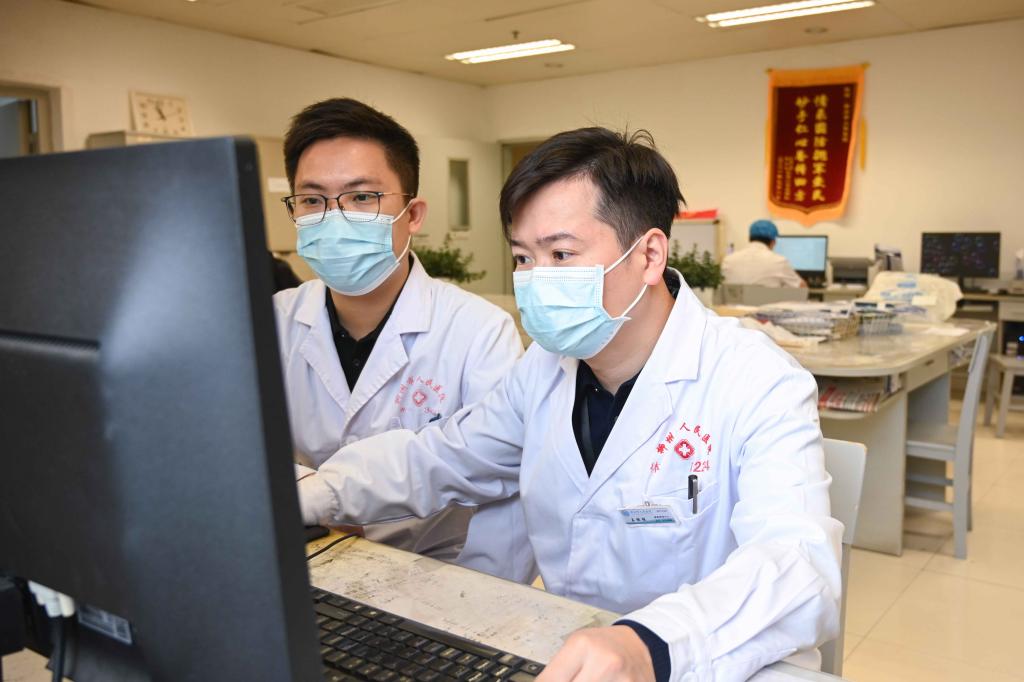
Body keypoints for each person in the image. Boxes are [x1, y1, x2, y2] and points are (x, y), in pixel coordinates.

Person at [297, 128, 842, 681]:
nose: (537, 280)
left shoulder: (755, 379)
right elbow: (441, 457)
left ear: (649, 254)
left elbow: (797, 564)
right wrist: (315, 494)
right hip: (572, 651)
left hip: (712, 662)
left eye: (561, 254)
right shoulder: (543, 370)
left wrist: (651, 643)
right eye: (523, 257)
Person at [277, 98, 533, 581]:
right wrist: (309, 496)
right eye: (312, 200)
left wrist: (473, 604)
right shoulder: (273, 321)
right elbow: (231, 448)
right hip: (304, 564)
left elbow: (498, 476)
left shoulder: (478, 331)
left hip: (434, 577)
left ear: (412, 214)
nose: (334, 218)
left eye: (362, 197)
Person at [721, 219, 807, 287]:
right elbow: (801, 288)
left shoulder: (728, 260)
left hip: (732, 305)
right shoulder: (779, 261)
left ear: (749, 238)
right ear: (773, 242)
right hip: (768, 305)